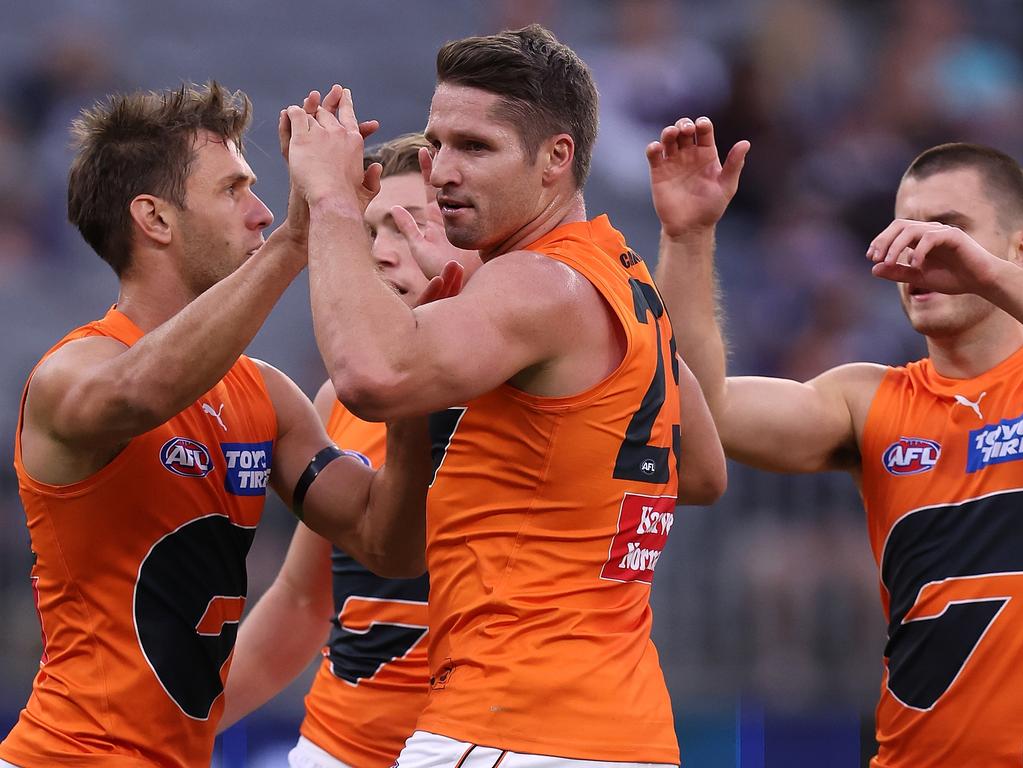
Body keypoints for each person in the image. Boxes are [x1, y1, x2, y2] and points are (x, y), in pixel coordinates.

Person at [285, 24, 727, 767]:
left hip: (508, 725)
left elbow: (370, 378)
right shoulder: (623, 278)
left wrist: (329, 200)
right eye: (437, 143)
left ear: (557, 157)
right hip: (626, 732)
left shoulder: (534, 282)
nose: (441, 171)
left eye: (476, 147)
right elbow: (704, 472)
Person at [0, 83, 440, 768]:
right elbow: (145, 393)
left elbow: (391, 546)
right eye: (234, 189)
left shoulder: (268, 396)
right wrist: (300, 237)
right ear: (154, 218)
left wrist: (413, 393)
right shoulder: (73, 372)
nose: (262, 212)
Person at [648, 117, 1023, 767]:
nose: (921, 249)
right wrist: (690, 236)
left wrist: (987, 276)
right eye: (908, 227)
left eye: (951, 228)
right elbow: (701, 412)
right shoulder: (869, 400)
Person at [220, 133, 480, 768]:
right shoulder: (340, 400)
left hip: (493, 745)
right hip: (337, 749)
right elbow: (306, 601)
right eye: (369, 236)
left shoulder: (544, 394)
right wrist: (180, 725)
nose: (386, 255)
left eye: (414, 225)